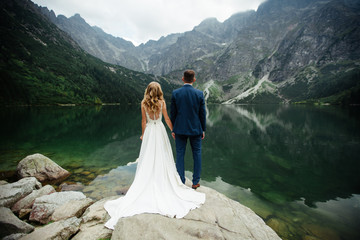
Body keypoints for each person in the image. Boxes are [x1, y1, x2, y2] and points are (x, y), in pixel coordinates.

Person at [104, 82, 205, 230]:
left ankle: (149, 179)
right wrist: (173, 131)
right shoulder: (162, 102)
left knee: (148, 158)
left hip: (150, 132)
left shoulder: (143, 103)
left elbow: (144, 121)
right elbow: (167, 119)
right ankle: (162, 178)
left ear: (148, 91)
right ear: (159, 91)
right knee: (163, 157)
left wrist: (143, 135)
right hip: (160, 131)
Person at [170, 70, 206, 190]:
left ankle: (181, 181)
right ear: (194, 80)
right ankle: (195, 182)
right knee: (197, 154)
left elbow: (173, 114)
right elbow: (202, 114)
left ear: (182, 79)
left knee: (180, 154)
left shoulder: (176, 93)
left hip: (179, 129)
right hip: (196, 129)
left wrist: (173, 129)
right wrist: (203, 129)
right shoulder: (199, 94)